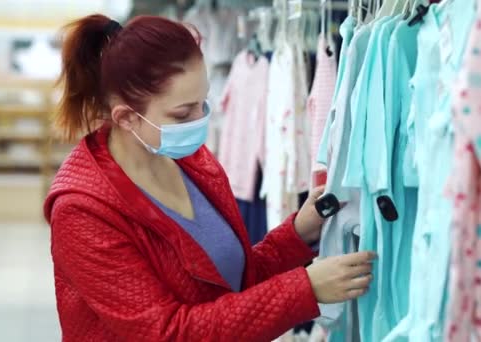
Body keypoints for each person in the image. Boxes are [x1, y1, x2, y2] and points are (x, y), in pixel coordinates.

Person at [43, 14, 376, 342]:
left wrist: (297, 234)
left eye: (202, 104)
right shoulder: (82, 211)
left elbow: (231, 280)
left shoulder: (191, 162)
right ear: (128, 118)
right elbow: (168, 333)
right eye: (183, 113)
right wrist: (305, 289)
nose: (199, 120)